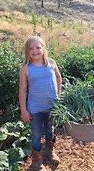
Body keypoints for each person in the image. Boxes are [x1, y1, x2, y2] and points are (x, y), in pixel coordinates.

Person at [19, 36, 62, 171]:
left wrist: (58, 96)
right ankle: (37, 161)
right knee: (37, 134)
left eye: (38, 47)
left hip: (52, 106)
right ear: (27, 52)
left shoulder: (51, 63)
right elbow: (22, 90)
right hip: (35, 108)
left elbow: (58, 77)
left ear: (43, 49)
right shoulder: (26, 68)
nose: (35, 51)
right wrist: (24, 110)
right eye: (31, 48)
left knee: (50, 130)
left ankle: (49, 151)